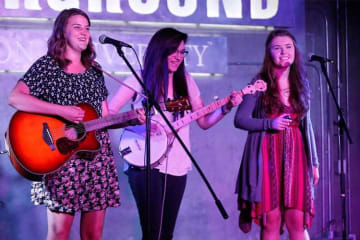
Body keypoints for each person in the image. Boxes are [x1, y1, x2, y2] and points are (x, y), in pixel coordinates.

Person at [7, 8, 140, 240]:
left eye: (87, 28)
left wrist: (130, 118)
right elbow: (15, 98)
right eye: (77, 27)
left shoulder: (95, 71)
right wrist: (62, 111)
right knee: (59, 233)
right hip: (60, 157)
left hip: (97, 159)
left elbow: (103, 117)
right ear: (62, 32)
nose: (84, 32)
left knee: (93, 235)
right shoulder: (48, 65)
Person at [109, 27, 243, 240]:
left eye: (182, 52)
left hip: (177, 163)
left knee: (166, 233)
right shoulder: (140, 78)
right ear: (160, 50)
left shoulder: (186, 81)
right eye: (174, 51)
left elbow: (204, 121)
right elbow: (110, 113)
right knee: (152, 232)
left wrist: (226, 108)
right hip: (144, 162)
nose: (178, 57)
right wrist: (136, 120)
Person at [234, 29, 319, 240]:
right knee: (271, 221)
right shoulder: (259, 83)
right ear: (268, 53)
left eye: (288, 47)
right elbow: (240, 119)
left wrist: (314, 163)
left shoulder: (302, 84)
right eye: (278, 48)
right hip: (267, 157)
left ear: (295, 52)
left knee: (297, 220)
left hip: (297, 158)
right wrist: (269, 123)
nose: (284, 52)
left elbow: (306, 125)